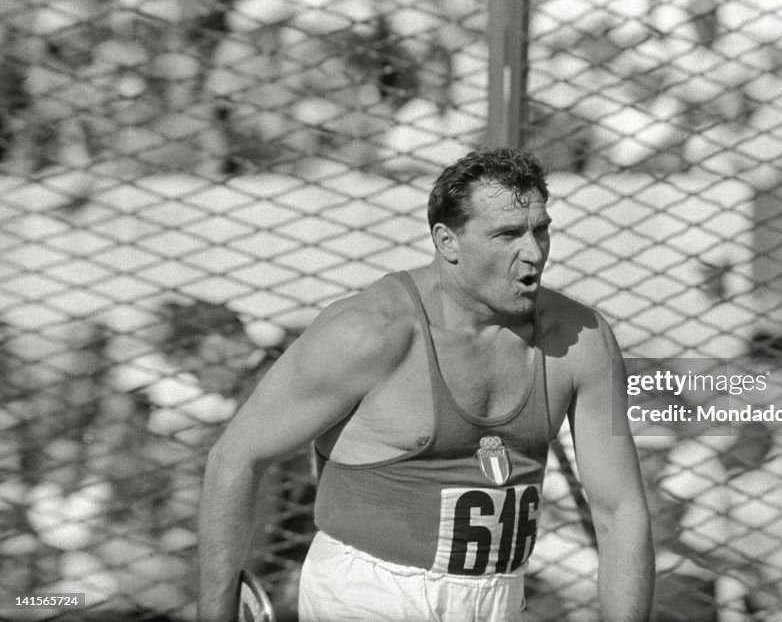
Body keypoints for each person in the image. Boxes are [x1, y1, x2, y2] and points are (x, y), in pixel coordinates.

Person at [197, 148, 654, 621]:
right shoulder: (369, 332)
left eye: (541, 228)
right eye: (507, 234)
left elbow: (620, 510)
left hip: (499, 596)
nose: (534, 252)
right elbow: (234, 459)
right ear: (447, 241)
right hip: (370, 594)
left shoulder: (581, 338)